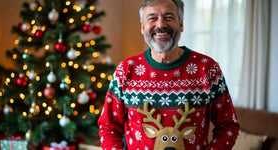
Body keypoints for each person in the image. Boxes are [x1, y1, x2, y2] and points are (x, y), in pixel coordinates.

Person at [98, 0, 240, 149]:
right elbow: (108, 126)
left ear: (181, 24)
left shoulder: (207, 69)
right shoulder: (125, 71)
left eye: (169, 17)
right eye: (152, 18)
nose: (160, 25)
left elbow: (228, 125)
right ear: (142, 27)